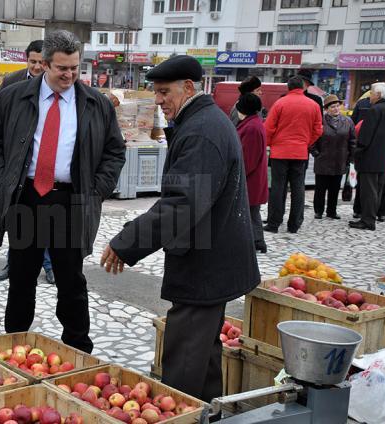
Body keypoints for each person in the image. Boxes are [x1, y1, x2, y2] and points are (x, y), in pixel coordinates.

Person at [99, 55, 259, 407]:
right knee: (202, 356)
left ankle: (182, 414)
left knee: (184, 358)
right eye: (155, 93)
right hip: (209, 259)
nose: (158, 100)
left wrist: (127, 243)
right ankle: (206, 413)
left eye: (164, 92)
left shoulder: (202, 130)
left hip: (207, 264)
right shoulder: (202, 121)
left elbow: (181, 204)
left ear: (188, 88)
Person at [0, 30, 125, 353]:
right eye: (62, 68)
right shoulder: (13, 98)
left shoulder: (95, 104)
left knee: (71, 280)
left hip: (71, 200)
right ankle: (14, 344)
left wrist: (96, 190)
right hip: (25, 197)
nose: (69, 75)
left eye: (75, 68)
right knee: (21, 278)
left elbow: (115, 152)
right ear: (44, 64)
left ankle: (77, 347)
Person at [0, 39, 54, 284]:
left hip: (44, 164)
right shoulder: (12, 81)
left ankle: (49, 266)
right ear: (26, 60)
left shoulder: (56, 83)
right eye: (33, 62)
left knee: (46, 220)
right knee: (16, 219)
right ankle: (12, 263)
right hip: (16, 164)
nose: (37, 67)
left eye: (41, 62)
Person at [264, 77, 323, 234]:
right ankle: (294, 224)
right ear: (303, 88)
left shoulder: (280, 103)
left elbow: (269, 127)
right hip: (300, 152)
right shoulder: (314, 105)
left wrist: (270, 144)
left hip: (280, 151)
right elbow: (318, 130)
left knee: (277, 187)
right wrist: (305, 142)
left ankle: (274, 222)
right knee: (298, 188)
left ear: (288, 88)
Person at [349, 82, 385, 231]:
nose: (370, 96)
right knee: (377, 190)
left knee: (368, 191)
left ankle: (367, 220)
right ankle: (371, 217)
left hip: (370, 158)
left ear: (379, 95)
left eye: (372, 93)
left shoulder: (375, 110)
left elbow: (365, 136)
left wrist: (357, 152)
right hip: (384, 158)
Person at [310, 95, 356, 220]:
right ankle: (318, 211)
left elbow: (352, 141)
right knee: (320, 188)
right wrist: (316, 153)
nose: (336, 109)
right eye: (332, 107)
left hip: (339, 160)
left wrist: (351, 158)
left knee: (334, 188)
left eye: (337, 106)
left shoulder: (347, 121)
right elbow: (312, 139)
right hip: (323, 160)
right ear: (326, 109)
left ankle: (332, 211)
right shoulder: (320, 121)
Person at [236, 93, 269, 253]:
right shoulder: (253, 123)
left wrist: (237, 175)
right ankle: (256, 241)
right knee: (251, 212)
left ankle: (256, 242)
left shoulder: (251, 127)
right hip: (253, 178)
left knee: (250, 211)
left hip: (251, 180)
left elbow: (248, 159)